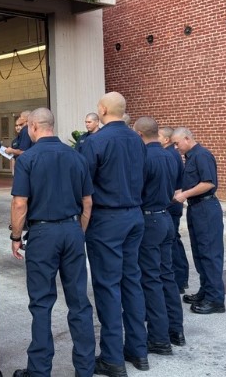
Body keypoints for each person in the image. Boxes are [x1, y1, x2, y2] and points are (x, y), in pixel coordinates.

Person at [10, 108, 95, 377]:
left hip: (42, 234)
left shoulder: (28, 159)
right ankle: (85, 368)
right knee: (79, 301)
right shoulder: (76, 156)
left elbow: (19, 203)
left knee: (41, 303)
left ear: (34, 126)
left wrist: (15, 236)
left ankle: (39, 370)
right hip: (71, 229)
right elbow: (87, 202)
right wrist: (78, 231)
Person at [78, 92, 148, 376]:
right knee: (131, 280)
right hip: (134, 215)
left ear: (103, 110)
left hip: (107, 219)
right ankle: (138, 350)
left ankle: (112, 358)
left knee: (108, 286)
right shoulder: (137, 139)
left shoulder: (95, 141)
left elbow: (83, 187)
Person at [133, 117, 185, 355]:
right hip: (165, 216)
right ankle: (176, 330)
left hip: (150, 219)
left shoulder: (144, 157)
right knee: (167, 275)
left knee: (151, 278)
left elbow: (137, 189)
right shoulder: (170, 155)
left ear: (140, 133)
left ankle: (159, 337)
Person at [171, 127, 225, 315]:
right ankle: (206, 291)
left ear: (187, 138)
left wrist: (184, 194)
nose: (176, 147)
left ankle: (216, 299)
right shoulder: (191, 157)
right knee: (200, 252)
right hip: (196, 208)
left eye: (177, 143)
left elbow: (209, 183)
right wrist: (181, 191)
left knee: (210, 253)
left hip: (206, 208)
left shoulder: (202, 155)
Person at [159, 126, 188, 293]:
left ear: (166, 139)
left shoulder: (169, 154)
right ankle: (181, 278)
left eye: (159, 136)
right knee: (174, 240)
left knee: (172, 243)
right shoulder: (172, 154)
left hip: (171, 203)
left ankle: (178, 279)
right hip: (173, 203)